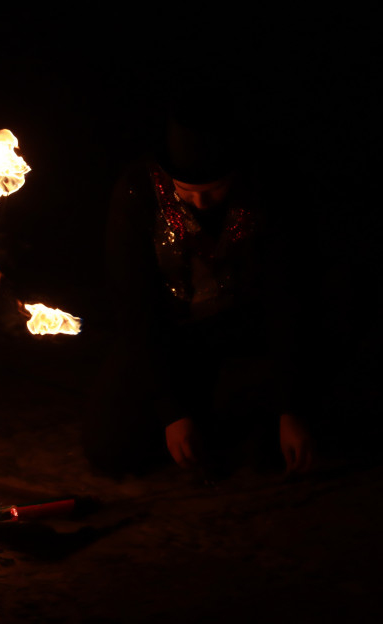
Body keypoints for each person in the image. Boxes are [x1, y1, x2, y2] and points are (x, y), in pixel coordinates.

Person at [86, 94, 315, 479]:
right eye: (186, 190)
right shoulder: (136, 191)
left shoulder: (266, 186)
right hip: (175, 331)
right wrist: (172, 411)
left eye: (213, 189)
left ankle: (251, 411)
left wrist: (292, 407)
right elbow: (135, 305)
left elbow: (288, 294)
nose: (200, 202)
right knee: (107, 449)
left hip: (248, 324)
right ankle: (211, 413)